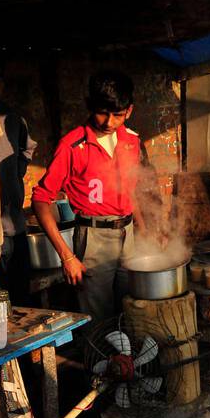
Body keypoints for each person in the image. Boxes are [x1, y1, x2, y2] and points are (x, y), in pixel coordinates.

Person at [32, 70, 147, 322]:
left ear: (129, 111)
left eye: (117, 114)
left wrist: (144, 228)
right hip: (93, 238)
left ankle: (129, 360)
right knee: (98, 317)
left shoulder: (132, 141)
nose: (108, 122)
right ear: (89, 106)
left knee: (131, 308)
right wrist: (67, 256)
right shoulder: (72, 146)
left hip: (128, 234)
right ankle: (101, 362)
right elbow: (41, 199)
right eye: (102, 112)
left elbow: (131, 189)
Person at [0, 61, 36, 304]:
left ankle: (22, 343)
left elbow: (27, 149)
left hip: (14, 227)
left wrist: (13, 177)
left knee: (23, 301)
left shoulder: (13, 118)